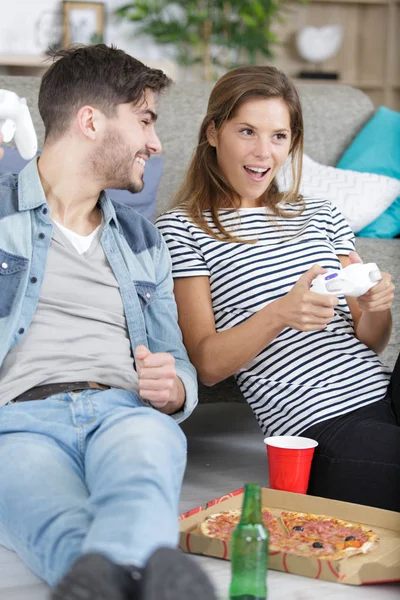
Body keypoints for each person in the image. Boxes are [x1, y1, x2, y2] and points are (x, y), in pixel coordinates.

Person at [0, 45, 217, 600]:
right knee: (56, 521)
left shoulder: (145, 243)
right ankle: (154, 576)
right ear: (90, 121)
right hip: (16, 423)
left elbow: (180, 362)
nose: (156, 142)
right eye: (145, 119)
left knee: (142, 474)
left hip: (126, 412)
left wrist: (174, 389)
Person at [156, 65, 400, 513]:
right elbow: (207, 365)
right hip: (321, 428)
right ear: (213, 132)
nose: (263, 152)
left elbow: (372, 339)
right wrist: (280, 314)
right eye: (247, 131)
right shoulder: (181, 230)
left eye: (278, 136)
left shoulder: (322, 214)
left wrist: (376, 306)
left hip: (386, 394)